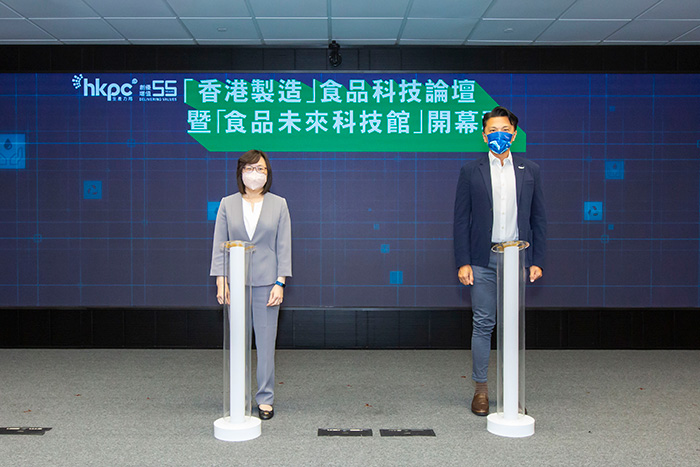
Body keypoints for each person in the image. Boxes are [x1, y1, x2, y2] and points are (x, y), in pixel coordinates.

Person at [453, 106, 546, 416]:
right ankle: (481, 390)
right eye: (492, 131)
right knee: (483, 323)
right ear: (483, 135)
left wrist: (537, 259)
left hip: (517, 257)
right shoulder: (470, 171)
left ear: (514, 134)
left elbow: (538, 218)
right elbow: (460, 219)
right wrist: (463, 261)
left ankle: (511, 391)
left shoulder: (530, 170)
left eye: (504, 130)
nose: (498, 135)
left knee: (512, 327)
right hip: (482, 258)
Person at [210, 149, 292, 421]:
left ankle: (265, 399)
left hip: (268, 283)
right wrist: (221, 281)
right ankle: (239, 398)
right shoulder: (227, 204)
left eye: (261, 169)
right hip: (236, 283)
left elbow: (283, 246)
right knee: (239, 344)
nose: (255, 174)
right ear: (240, 172)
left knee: (266, 344)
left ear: (268, 174)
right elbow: (220, 245)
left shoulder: (279, 204)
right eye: (250, 168)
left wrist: (280, 281)